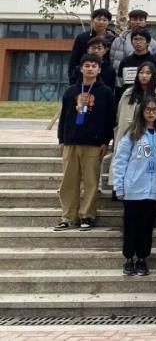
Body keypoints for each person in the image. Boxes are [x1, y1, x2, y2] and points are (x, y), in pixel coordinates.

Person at [55, 54, 116, 232]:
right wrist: (61, 140)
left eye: (94, 66)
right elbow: (64, 117)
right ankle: (68, 217)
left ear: (99, 69)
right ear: (81, 68)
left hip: (93, 143)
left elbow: (110, 119)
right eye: (87, 65)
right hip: (71, 141)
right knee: (69, 181)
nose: (90, 69)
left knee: (91, 182)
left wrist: (105, 141)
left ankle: (87, 216)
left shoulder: (105, 92)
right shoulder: (70, 91)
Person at [113, 95, 156, 277]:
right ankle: (129, 258)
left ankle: (142, 258)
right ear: (141, 112)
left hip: (153, 191)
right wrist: (119, 186)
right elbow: (120, 161)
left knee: (146, 227)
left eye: (154, 110)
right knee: (131, 227)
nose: (151, 113)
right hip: (133, 189)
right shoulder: (132, 133)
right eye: (147, 110)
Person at [110, 62, 156, 196]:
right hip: (129, 134)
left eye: (148, 73)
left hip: (151, 137)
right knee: (124, 161)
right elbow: (119, 115)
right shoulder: (128, 94)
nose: (144, 76)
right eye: (141, 73)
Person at [68, 7, 115, 80]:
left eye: (104, 20)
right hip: (83, 77)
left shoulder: (114, 39)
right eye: (98, 19)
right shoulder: (82, 38)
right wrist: (73, 79)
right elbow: (73, 61)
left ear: (108, 22)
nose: (101, 22)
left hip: (105, 78)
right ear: (93, 20)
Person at [117, 28, 156, 97]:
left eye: (141, 39)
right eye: (135, 39)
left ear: (148, 42)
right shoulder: (125, 62)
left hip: (150, 99)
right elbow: (119, 85)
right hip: (128, 98)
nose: (138, 42)